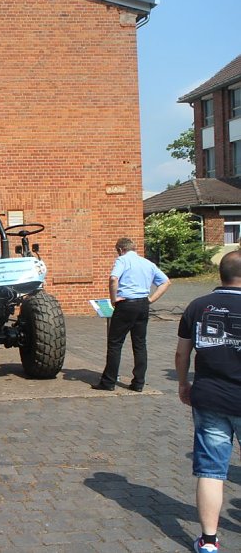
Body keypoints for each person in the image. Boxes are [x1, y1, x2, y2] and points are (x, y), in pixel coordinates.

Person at [175, 250, 241, 553]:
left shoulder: (197, 306)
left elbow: (182, 354)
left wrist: (183, 382)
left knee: (211, 470)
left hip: (210, 396)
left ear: (221, 275)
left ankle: (209, 541)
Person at [93, 237, 170, 392]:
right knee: (140, 344)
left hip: (126, 304)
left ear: (121, 250)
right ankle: (138, 382)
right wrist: (150, 299)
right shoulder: (148, 263)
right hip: (142, 304)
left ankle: (108, 382)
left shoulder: (122, 260)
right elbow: (166, 281)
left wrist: (114, 299)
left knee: (115, 343)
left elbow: (114, 278)